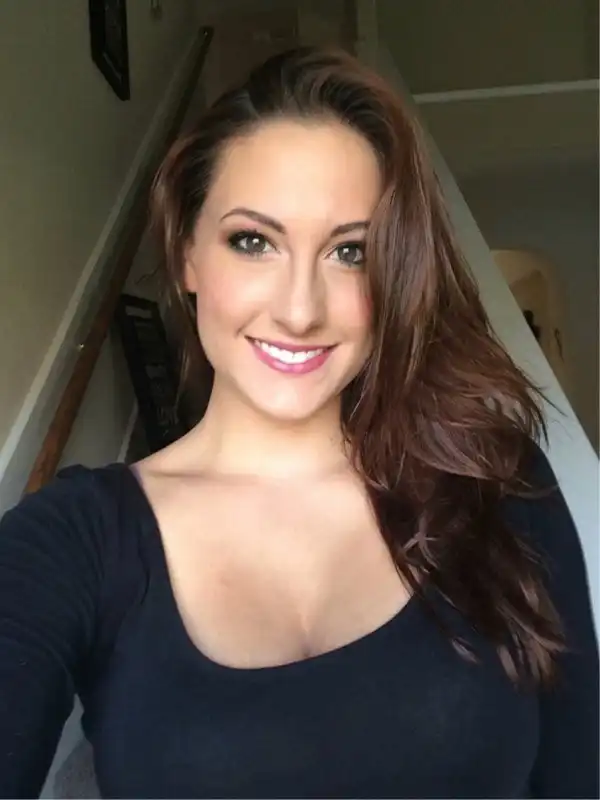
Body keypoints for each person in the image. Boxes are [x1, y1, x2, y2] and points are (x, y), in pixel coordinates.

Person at [0, 47, 597, 800]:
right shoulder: (73, 542)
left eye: (350, 252)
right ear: (187, 254)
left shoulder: (495, 486)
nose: (300, 309)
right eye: (253, 241)